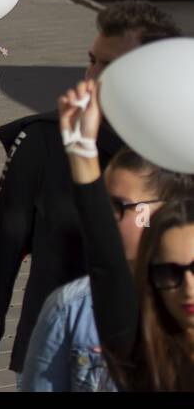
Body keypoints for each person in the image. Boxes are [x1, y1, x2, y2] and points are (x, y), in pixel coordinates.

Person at [0, 1, 183, 390]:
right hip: (57, 358)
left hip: (155, 355)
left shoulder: (177, 151)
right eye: (92, 60)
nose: (92, 75)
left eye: (110, 66)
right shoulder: (43, 141)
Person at [23, 147, 194, 392]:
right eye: (103, 207)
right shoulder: (71, 306)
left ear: (165, 210)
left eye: (120, 206)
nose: (107, 218)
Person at [60, 79, 194, 390]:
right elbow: (106, 264)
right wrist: (82, 153)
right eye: (169, 272)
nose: (187, 286)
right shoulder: (139, 348)